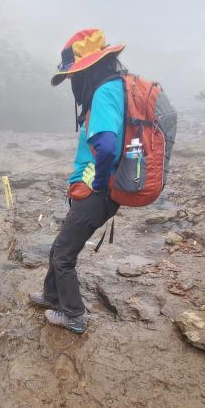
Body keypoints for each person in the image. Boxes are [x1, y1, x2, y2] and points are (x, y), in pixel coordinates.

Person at [30, 29, 126, 334]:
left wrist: (97, 184)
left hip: (98, 194)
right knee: (60, 246)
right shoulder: (114, 88)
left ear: (86, 70)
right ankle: (50, 296)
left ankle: (72, 315)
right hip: (98, 192)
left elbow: (108, 145)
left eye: (73, 75)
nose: (72, 82)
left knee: (63, 255)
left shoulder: (103, 93)